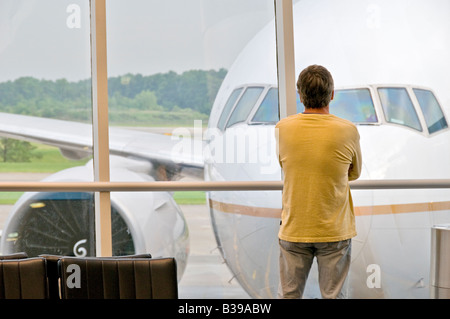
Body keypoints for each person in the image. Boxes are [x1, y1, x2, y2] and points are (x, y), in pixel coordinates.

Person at [275, 64, 362, 299]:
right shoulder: (348, 130)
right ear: (331, 94)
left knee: (290, 295)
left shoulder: (282, 129)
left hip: (294, 228)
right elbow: (354, 173)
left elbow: (285, 166)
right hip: (334, 229)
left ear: (300, 95)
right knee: (334, 296)